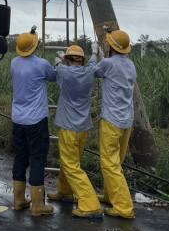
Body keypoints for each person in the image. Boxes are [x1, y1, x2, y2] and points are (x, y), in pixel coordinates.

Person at [48, 44, 103, 219]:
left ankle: (90, 204)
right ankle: (64, 192)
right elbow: (94, 62)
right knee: (71, 162)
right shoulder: (90, 72)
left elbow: (57, 66)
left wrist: (59, 59)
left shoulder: (64, 72)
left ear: (68, 59)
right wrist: (95, 52)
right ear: (82, 60)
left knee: (71, 166)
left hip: (69, 128)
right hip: (83, 128)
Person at [90, 29, 137, 219]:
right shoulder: (131, 65)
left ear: (110, 46)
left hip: (112, 121)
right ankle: (111, 197)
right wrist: (103, 57)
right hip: (127, 121)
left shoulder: (108, 64)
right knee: (117, 162)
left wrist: (94, 54)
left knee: (109, 164)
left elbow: (93, 71)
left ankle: (124, 207)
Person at [11, 26, 56, 216]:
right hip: (36, 120)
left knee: (20, 158)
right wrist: (59, 63)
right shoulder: (42, 64)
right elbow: (53, 77)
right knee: (37, 159)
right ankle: (38, 205)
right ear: (35, 46)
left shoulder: (14, 62)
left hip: (18, 119)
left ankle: (19, 200)